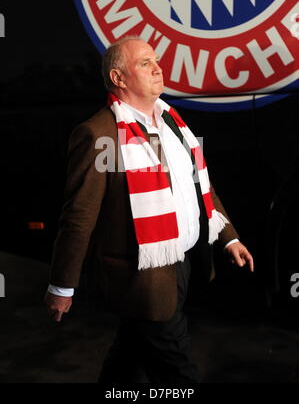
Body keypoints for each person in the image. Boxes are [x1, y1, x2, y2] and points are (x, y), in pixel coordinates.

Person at [44, 36, 254, 384]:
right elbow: (79, 217)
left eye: (156, 60)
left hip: (181, 264)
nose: (158, 68)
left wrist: (229, 238)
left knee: (130, 356)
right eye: (145, 63)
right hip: (141, 277)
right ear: (119, 79)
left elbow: (200, 186)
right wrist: (62, 286)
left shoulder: (173, 123)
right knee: (177, 368)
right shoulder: (100, 135)